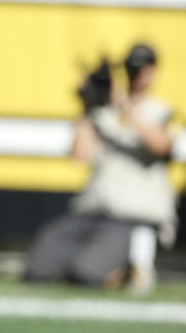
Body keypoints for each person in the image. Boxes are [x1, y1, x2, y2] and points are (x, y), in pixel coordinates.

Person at [24, 43, 178, 294]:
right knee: (37, 271)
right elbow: (80, 155)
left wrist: (125, 105)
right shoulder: (104, 115)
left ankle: (128, 267)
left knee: (87, 275)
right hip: (91, 214)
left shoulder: (160, 111)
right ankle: (95, 267)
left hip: (130, 219)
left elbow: (160, 146)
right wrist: (88, 105)